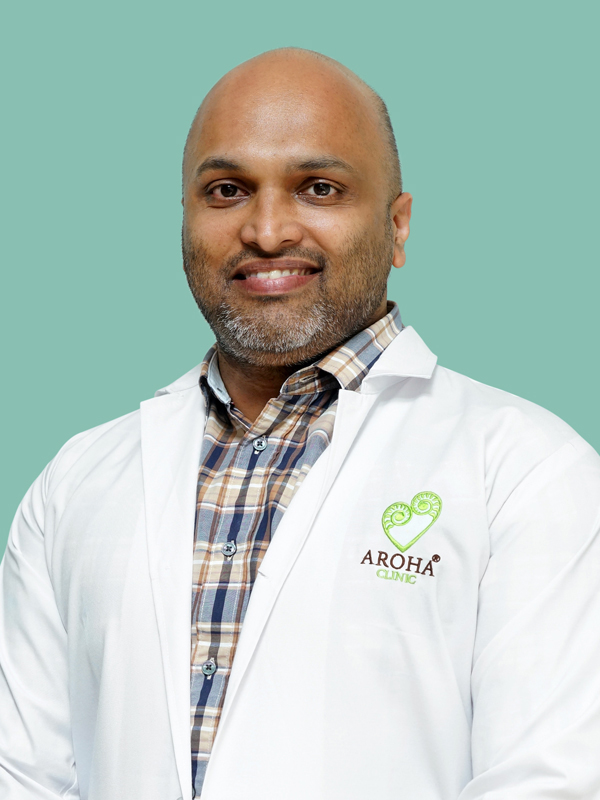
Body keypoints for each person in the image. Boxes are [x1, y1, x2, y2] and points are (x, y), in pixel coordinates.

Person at [1, 47, 599, 800]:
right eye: (227, 190)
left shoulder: (528, 471)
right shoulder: (76, 480)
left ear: (397, 225)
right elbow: (21, 774)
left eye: (319, 188)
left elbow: (551, 781)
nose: (267, 230)